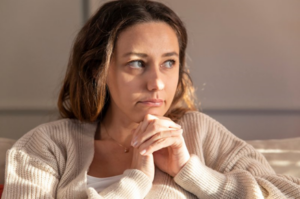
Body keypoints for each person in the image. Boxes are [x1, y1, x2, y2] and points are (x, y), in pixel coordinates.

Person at [2, 0, 300, 198]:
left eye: (169, 63)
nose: (157, 82)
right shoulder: (47, 146)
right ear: (97, 70)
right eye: (137, 63)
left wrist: (192, 173)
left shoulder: (201, 133)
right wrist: (134, 181)